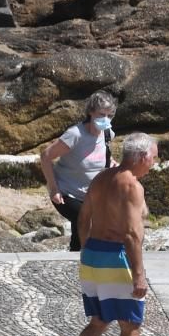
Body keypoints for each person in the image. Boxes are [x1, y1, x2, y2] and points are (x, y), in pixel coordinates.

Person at [54, 133, 162, 336]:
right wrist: (138, 274)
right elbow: (131, 235)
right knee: (131, 325)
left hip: (93, 255)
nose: (154, 162)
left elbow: (84, 216)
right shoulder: (131, 186)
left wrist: (88, 247)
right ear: (141, 157)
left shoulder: (102, 178)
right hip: (116, 258)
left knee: (100, 319)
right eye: (153, 156)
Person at [40, 90, 119, 251]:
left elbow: (103, 157)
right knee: (84, 219)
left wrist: (113, 164)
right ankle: (85, 259)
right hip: (66, 193)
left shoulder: (107, 133)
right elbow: (46, 156)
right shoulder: (75, 135)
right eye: (101, 114)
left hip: (91, 194)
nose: (105, 119)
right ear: (90, 112)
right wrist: (54, 188)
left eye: (109, 116)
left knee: (83, 225)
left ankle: (77, 259)